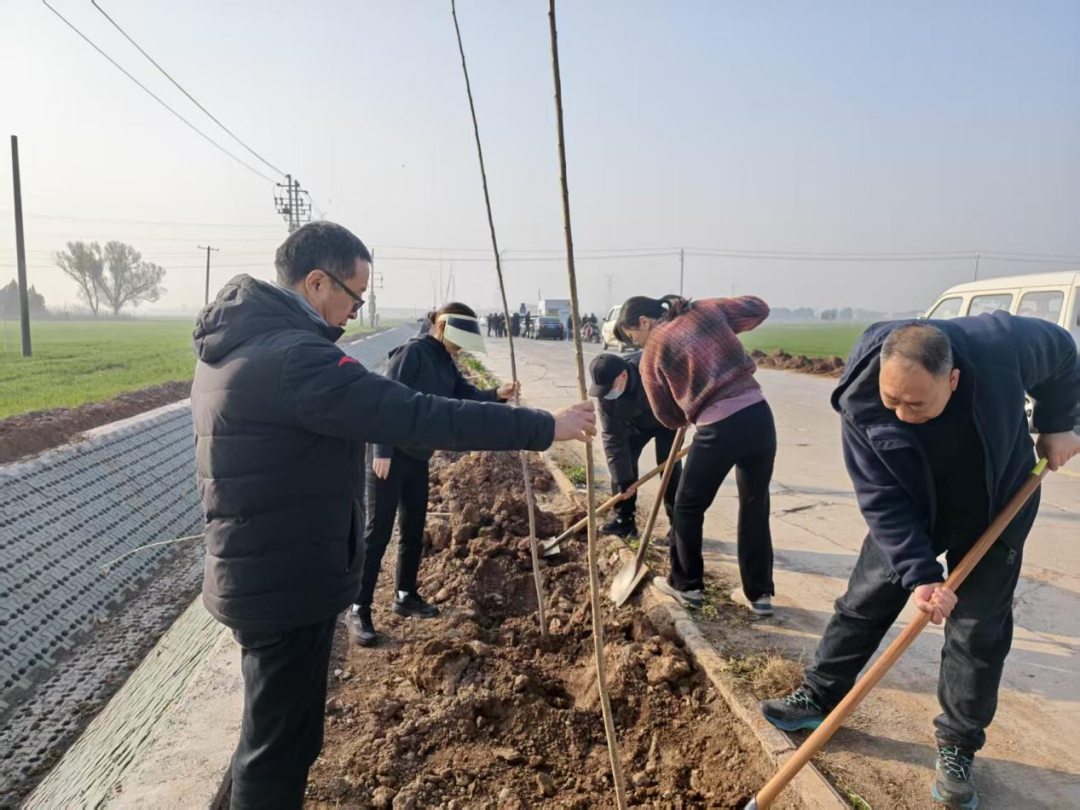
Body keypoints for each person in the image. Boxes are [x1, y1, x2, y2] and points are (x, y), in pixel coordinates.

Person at [191, 221, 596, 810]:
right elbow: (417, 415)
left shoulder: (239, 346)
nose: (356, 310)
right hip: (282, 580)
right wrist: (543, 427)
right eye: (354, 295)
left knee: (278, 736)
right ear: (315, 282)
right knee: (277, 750)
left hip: (262, 567)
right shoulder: (296, 358)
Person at [759, 318, 1080, 809]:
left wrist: (1059, 422)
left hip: (997, 502)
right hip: (913, 503)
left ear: (952, 380)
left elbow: (1063, 352)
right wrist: (921, 575)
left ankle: (957, 748)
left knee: (978, 631)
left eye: (917, 403)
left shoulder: (1002, 345)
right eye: (893, 401)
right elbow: (881, 498)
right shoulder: (862, 400)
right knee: (866, 597)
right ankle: (819, 695)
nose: (902, 414)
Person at [351, 302, 520, 646]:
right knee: (377, 533)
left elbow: (463, 395)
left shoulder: (445, 360)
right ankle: (358, 607)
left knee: (413, 528)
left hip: (417, 454)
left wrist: (496, 395)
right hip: (390, 454)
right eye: (458, 339)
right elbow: (383, 400)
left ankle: (405, 594)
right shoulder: (412, 353)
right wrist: (381, 449)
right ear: (442, 327)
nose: (459, 348)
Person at [618, 294, 777, 616]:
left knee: (687, 506)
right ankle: (759, 596)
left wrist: (691, 408)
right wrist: (712, 315)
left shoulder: (652, 355)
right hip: (760, 416)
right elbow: (758, 308)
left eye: (631, 334)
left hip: (718, 428)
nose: (634, 341)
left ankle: (686, 585)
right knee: (754, 504)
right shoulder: (706, 310)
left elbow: (668, 417)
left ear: (644, 322)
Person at [589, 352, 682, 539]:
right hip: (635, 425)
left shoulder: (653, 368)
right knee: (622, 468)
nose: (607, 393)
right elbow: (613, 438)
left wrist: (686, 414)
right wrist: (623, 479)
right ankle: (624, 521)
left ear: (623, 375)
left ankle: (677, 526)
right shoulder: (606, 396)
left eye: (610, 387)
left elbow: (683, 389)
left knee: (670, 471)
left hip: (668, 421)